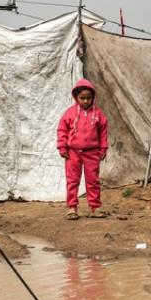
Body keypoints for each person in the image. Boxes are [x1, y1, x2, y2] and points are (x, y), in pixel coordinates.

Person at [57, 78, 109, 220]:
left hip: (92, 153)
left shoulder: (98, 114)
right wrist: (62, 147)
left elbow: (103, 133)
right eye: (82, 98)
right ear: (76, 97)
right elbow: (62, 130)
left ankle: (95, 207)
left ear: (93, 97)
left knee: (93, 181)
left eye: (88, 98)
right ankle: (72, 207)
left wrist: (103, 148)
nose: (85, 101)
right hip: (73, 153)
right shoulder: (70, 113)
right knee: (73, 180)